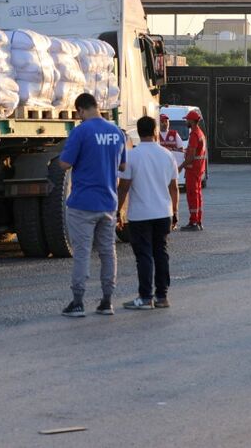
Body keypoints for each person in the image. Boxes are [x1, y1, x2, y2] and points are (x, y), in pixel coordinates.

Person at [58, 92, 127, 317]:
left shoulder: (81, 131)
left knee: (82, 252)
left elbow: (65, 164)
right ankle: (107, 301)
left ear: (80, 110)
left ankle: (78, 301)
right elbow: (123, 166)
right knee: (108, 252)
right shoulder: (117, 132)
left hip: (82, 204)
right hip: (108, 203)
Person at [117, 116, 179, 310]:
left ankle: (145, 298)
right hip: (163, 213)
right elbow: (174, 187)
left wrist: (118, 211)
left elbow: (124, 187)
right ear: (155, 132)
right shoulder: (167, 155)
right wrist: (175, 211)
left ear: (138, 131)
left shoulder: (132, 156)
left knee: (144, 255)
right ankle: (162, 297)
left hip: (140, 215)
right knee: (161, 253)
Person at [180, 108, 207, 231]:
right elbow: (196, 152)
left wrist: (180, 166)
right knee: (197, 195)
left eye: (187, 120)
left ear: (192, 120)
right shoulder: (200, 133)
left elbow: (191, 157)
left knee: (192, 195)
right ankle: (198, 221)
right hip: (198, 169)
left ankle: (193, 222)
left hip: (192, 170)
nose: (186, 121)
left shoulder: (194, 135)